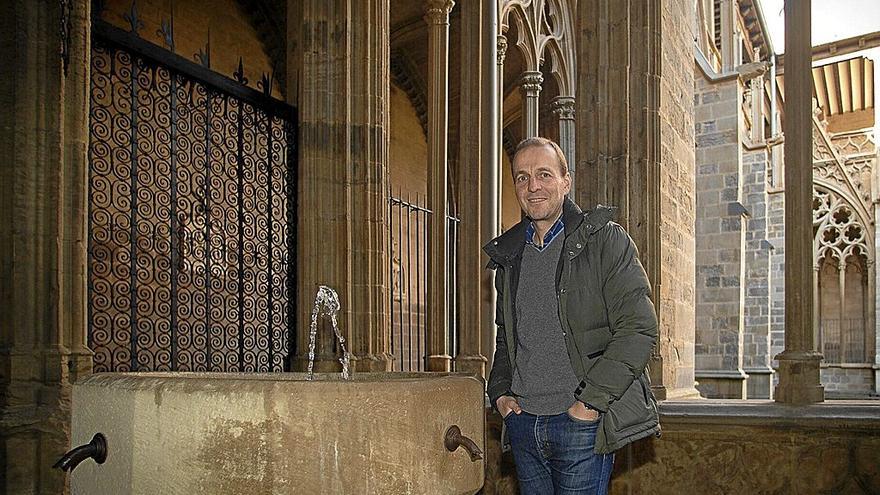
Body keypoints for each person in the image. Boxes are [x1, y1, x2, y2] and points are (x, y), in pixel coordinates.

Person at [483, 137, 660, 494]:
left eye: (544, 174)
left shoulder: (604, 241)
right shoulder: (510, 257)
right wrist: (500, 393)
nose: (533, 186)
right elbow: (507, 337)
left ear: (566, 181)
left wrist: (589, 405)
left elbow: (639, 329)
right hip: (524, 425)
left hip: (579, 426)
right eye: (522, 177)